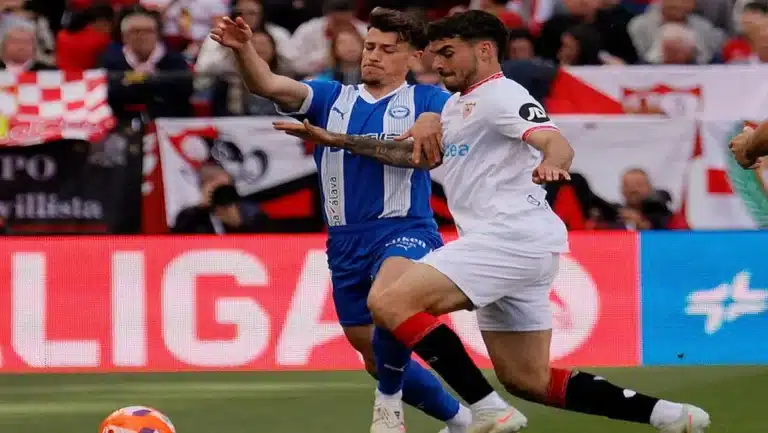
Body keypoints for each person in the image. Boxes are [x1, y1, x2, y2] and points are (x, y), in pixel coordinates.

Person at [274, 10, 712, 433]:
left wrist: (552, 162)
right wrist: (337, 140)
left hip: (510, 236)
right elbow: (408, 156)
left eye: (447, 52)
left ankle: (485, 411)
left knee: (389, 303)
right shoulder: (458, 106)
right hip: (511, 247)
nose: (437, 62)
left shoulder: (503, 94)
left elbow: (552, 140)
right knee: (529, 379)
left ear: (483, 51)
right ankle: (669, 416)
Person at [211, 7, 514, 433]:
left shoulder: (427, 100)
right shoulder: (332, 97)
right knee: (373, 355)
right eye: (370, 46)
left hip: (404, 230)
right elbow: (267, 83)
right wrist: (243, 50)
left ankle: (390, 407)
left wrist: (430, 119)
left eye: (387, 50)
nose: (373, 56)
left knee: (389, 304)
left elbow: (435, 136)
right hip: (343, 242)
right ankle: (461, 420)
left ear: (412, 58)